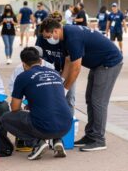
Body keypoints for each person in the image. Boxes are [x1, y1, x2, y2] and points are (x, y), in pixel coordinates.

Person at [40, 19, 123, 151]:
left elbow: (76, 68)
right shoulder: (64, 36)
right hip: (97, 65)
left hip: (109, 63)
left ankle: (99, 139)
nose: (48, 40)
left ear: (56, 31)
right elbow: (68, 61)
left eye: (48, 36)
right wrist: (61, 83)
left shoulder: (72, 37)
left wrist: (65, 89)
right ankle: (91, 135)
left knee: (98, 101)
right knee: (89, 98)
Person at [1, 47, 72, 160]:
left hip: (43, 126)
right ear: (40, 60)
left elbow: (15, 108)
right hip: (66, 124)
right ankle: (57, 140)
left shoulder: (22, 77)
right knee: (49, 114)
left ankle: (37, 143)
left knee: (6, 118)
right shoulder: (55, 73)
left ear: (24, 64)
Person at [36, 12, 76, 115]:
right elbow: (38, 54)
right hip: (50, 72)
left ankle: (69, 124)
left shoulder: (66, 36)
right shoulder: (42, 37)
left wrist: (64, 79)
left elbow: (71, 61)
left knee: (69, 99)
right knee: (49, 99)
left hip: (67, 70)